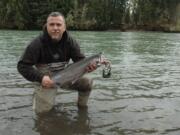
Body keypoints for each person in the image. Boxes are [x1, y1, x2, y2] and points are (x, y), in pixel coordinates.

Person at [17, 12, 97, 113]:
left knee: (87, 82)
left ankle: (82, 109)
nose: (55, 28)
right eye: (52, 24)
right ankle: (38, 97)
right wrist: (41, 78)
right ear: (46, 26)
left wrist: (88, 67)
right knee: (43, 114)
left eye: (59, 24)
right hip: (45, 81)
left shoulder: (71, 42)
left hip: (65, 78)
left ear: (64, 27)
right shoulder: (36, 44)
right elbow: (22, 66)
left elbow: (81, 62)